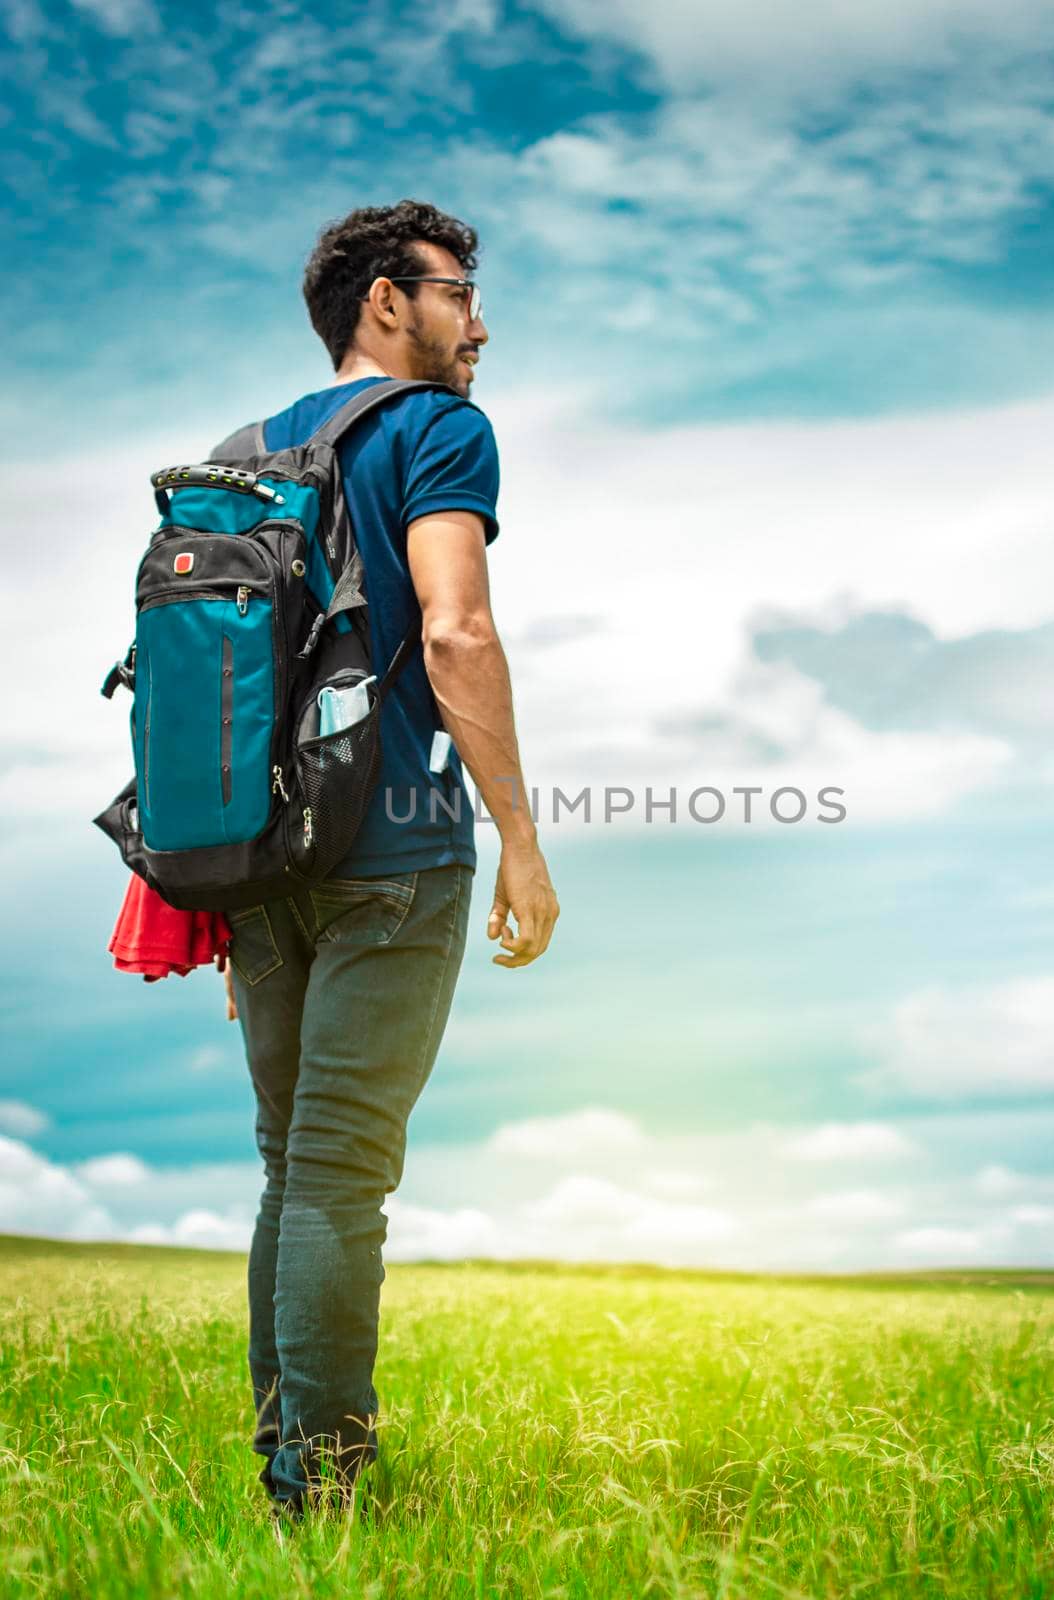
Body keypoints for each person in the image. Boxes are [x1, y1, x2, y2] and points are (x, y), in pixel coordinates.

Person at [217, 200, 559, 1520]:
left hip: (257, 855)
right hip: (396, 842)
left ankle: (285, 1472)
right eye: (458, 294)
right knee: (343, 1172)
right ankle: (329, 1490)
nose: (480, 322)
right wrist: (520, 838)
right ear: (384, 302)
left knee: (291, 1167)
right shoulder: (439, 431)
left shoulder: (238, 455)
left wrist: (220, 883)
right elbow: (458, 633)